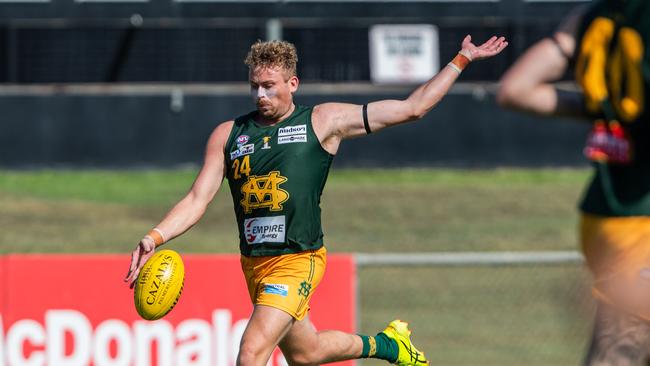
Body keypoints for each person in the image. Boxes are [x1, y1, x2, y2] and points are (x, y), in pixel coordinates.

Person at [125, 34, 507, 366]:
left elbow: (412, 108)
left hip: (297, 260)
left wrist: (462, 60)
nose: (261, 94)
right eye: (255, 86)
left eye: (270, 85)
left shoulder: (322, 122)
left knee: (250, 353)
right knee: (307, 354)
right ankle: (388, 343)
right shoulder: (229, 135)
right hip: (254, 267)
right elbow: (197, 199)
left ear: (293, 83)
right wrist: (154, 237)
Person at [497, 1, 650, 365]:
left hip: (606, 217)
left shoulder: (593, 14)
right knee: (618, 354)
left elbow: (516, 89)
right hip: (640, 221)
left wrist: (605, 106)